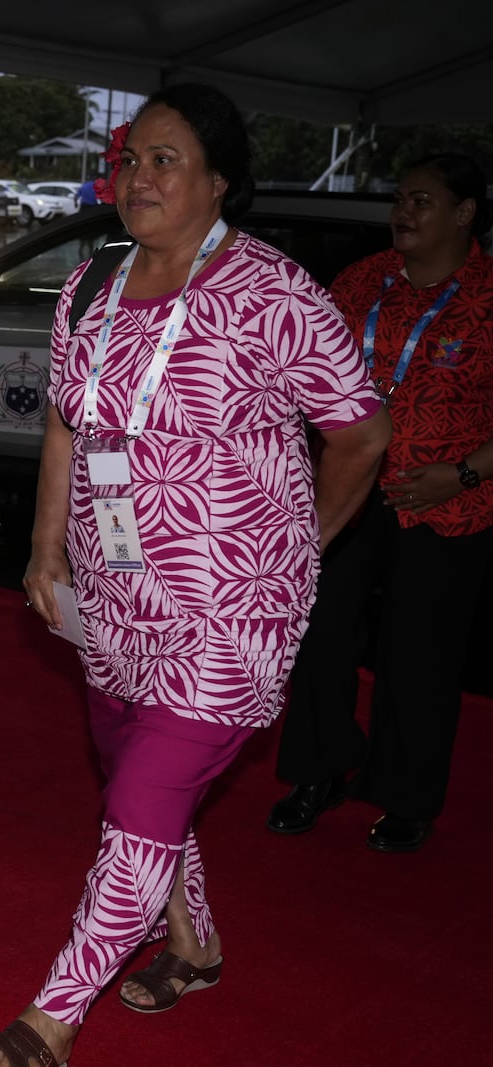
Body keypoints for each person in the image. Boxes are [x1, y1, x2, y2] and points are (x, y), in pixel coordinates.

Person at [0, 84, 391, 1067]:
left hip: (231, 609)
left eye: (166, 159)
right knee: (135, 784)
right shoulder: (89, 287)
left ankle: (51, 1018)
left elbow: (361, 434)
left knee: (146, 797)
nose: (139, 176)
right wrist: (44, 547)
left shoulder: (274, 293)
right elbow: (67, 424)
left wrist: (298, 545)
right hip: (115, 597)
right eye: (130, 158)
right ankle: (193, 945)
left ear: (219, 182)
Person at [267, 153, 493, 853]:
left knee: (419, 652)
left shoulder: (488, 295)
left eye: (422, 201)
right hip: (347, 488)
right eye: (400, 199)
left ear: (465, 213)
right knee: (320, 632)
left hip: (446, 500)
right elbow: (301, 370)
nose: (404, 213)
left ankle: (405, 795)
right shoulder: (361, 282)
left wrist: (461, 472)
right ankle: (319, 769)